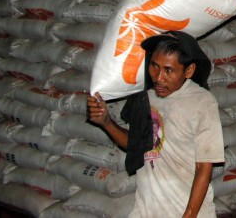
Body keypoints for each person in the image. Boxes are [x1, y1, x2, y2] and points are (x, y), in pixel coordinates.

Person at [87, 31, 224, 218]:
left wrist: (189, 214)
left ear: (189, 71)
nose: (159, 77)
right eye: (154, 66)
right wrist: (106, 122)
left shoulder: (202, 102)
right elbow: (135, 144)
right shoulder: (147, 98)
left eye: (169, 70)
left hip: (185, 211)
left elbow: (204, 167)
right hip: (147, 210)